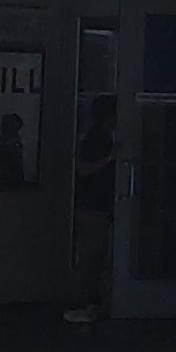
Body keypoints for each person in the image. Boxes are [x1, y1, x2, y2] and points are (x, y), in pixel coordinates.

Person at [63, 96, 118, 325]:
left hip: (100, 207)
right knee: (88, 257)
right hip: (91, 207)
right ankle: (78, 304)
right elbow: (83, 169)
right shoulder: (94, 140)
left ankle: (91, 303)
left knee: (97, 258)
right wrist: (109, 159)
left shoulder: (103, 138)